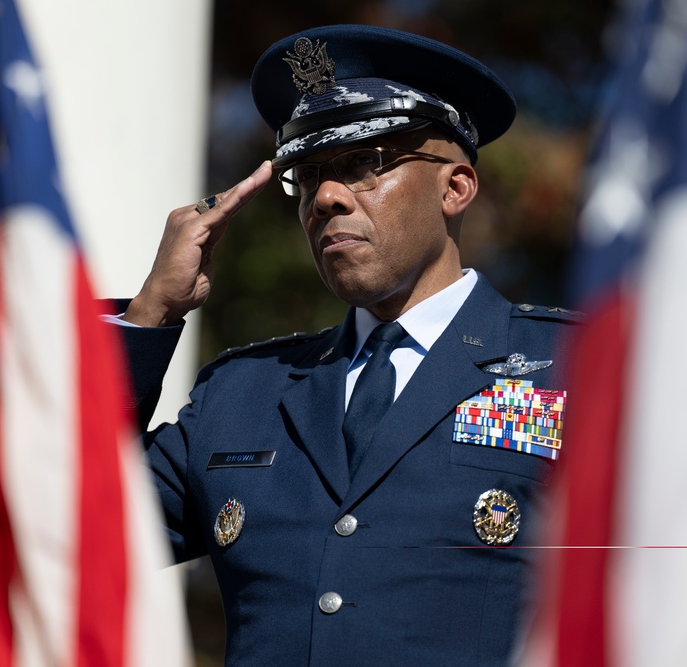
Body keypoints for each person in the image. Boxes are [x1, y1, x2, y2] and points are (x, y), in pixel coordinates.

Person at [116, 24, 580, 666]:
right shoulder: (242, 394)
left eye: (367, 163)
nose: (325, 198)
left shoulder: (578, 369)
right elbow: (70, 525)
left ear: (455, 189)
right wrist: (149, 315)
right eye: (307, 176)